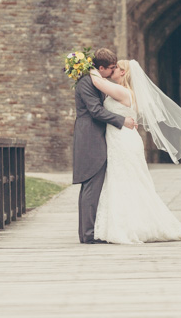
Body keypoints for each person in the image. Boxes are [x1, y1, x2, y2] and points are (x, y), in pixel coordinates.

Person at [89, 59, 181, 244]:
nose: (112, 70)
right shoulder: (126, 92)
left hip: (123, 141)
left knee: (126, 181)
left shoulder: (123, 92)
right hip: (121, 140)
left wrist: (85, 64)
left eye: (116, 68)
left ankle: (128, 227)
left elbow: (98, 82)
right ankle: (129, 224)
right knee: (124, 181)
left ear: (123, 73)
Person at [72, 48, 136, 244]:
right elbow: (96, 111)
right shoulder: (86, 83)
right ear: (101, 68)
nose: (114, 70)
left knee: (92, 186)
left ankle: (88, 232)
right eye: (111, 68)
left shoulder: (96, 81)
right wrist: (121, 120)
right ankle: (88, 235)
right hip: (90, 137)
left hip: (96, 136)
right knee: (91, 185)